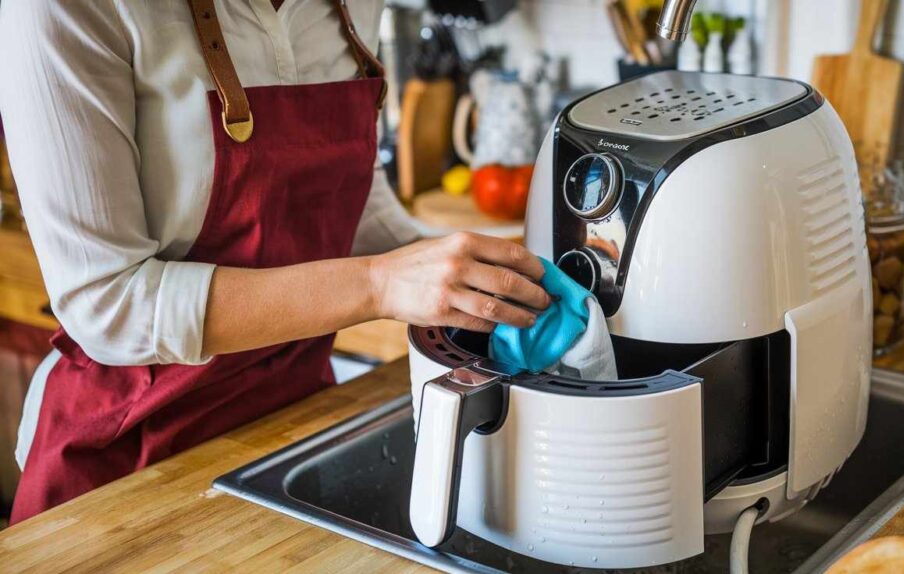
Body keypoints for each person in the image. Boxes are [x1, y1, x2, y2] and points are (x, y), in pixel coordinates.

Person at [0, 0, 549, 524]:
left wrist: (479, 275)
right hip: (124, 462)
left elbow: (354, 212)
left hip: (291, 423)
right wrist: (379, 286)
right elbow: (107, 304)